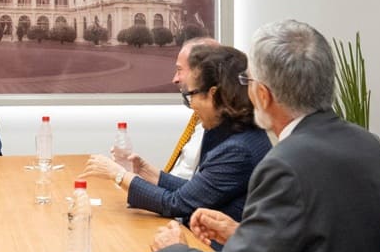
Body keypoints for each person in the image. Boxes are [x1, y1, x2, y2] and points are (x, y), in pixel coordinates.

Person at [146, 20, 380, 252]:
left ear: (263, 95)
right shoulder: (365, 143)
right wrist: (242, 233)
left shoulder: (285, 163)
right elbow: (326, 238)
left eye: (248, 82)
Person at [80, 45, 271, 238]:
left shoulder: (237, 149)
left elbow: (177, 203)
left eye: (191, 96)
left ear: (213, 94)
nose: (192, 106)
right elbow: (195, 192)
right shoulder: (233, 131)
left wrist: (118, 174)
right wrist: (149, 173)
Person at [161, 36, 218, 179]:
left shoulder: (221, 129)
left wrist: (125, 177)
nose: (175, 79)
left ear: (202, 73)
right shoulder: (199, 119)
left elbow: (189, 195)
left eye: (179, 70)